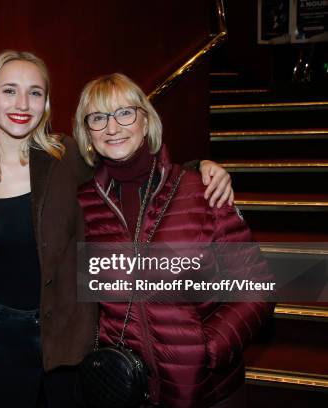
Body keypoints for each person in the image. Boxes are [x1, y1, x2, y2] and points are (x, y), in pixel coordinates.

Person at [0, 51, 233, 408]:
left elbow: (128, 166)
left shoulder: (65, 157)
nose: (23, 103)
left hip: (69, 345)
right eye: (9, 90)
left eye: (35, 92)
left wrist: (199, 168)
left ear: (46, 102)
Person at [74, 73, 274, 407]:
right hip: (125, 387)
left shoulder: (201, 189)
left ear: (146, 121)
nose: (112, 127)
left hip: (206, 390)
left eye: (125, 112)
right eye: (98, 117)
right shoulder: (83, 204)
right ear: (87, 133)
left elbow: (257, 288)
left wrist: (210, 347)